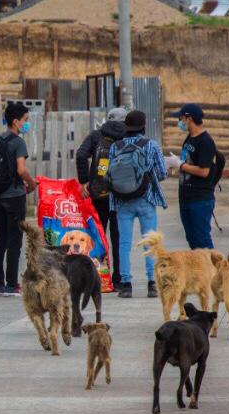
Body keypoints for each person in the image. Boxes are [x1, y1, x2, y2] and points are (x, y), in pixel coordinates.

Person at [110, 110, 167, 299]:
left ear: (126, 127)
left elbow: (107, 171)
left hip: (121, 201)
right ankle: (152, 283)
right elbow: (162, 173)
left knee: (124, 243)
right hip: (146, 199)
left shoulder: (115, 146)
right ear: (144, 126)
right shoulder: (151, 145)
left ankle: (126, 284)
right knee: (150, 242)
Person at [0, 101, 38, 297]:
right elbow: (20, 169)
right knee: (15, 240)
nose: (27, 124)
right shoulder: (18, 142)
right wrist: (32, 183)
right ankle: (11, 285)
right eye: (26, 120)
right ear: (16, 122)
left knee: (0, 239)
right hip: (15, 197)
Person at [76, 107, 127, 289]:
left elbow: (81, 155)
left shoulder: (96, 135)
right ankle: (120, 279)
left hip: (98, 194)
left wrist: (84, 182)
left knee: (97, 236)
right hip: (121, 195)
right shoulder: (127, 137)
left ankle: (96, 277)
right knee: (119, 238)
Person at [165, 103, 217, 251]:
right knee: (192, 240)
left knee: (202, 240)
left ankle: (214, 272)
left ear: (189, 118)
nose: (180, 121)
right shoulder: (189, 138)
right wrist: (174, 165)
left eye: (181, 118)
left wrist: (180, 165)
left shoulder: (205, 141)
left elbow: (204, 171)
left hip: (200, 199)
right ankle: (201, 272)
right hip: (186, 197)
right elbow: (187, 161)